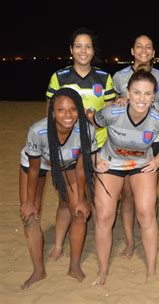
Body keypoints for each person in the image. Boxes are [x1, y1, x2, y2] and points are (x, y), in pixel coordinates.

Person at [92, 69, 159, 285]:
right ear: (127, 92)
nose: (142, 99)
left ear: (154, 95)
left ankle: (151, 269)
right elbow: (91, 126)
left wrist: (158, 160)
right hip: (111, 163)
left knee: (147, 213)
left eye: (148, 94)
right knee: (104, 216)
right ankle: (102, 270)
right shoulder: (111, 112)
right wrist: (94, 157)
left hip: (141, 165)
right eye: (137, 92)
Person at [45, 27, 115, 261]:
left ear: (93, 50)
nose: (83, 51)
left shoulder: (104, 78)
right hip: (67, 148)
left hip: (99, 146)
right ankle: (57, 245)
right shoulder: (60, 77)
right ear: (71, 50)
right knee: (67, 200)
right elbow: (49, 112)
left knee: (96, 197)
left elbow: (110, 112)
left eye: (88, 46)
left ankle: (94, 241)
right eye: (78, 46)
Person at [19, 87, 96, 289]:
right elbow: (34, 170)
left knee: (78, 212)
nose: (68, 114)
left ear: (79, 110)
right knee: (30, 216)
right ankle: (38, 270)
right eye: (61, 110)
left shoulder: (86, 130)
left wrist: (81, 198)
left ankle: (74, 266)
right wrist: (29, 202)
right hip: (37, 165)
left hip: (68, 164)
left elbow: (81, 168)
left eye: (73, 109)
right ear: (52, 111)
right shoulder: (38, 131)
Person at [112, 34, 159, 258]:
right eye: (139, 47)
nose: (144, 51)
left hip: (153, 141)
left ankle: (150, 237)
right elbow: (114, 107)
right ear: (132, 51)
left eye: (148, 48)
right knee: (126, 194)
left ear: (153, 53)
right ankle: (129, 241)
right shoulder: (119, 77)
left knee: (149, 195)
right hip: (126, 142)